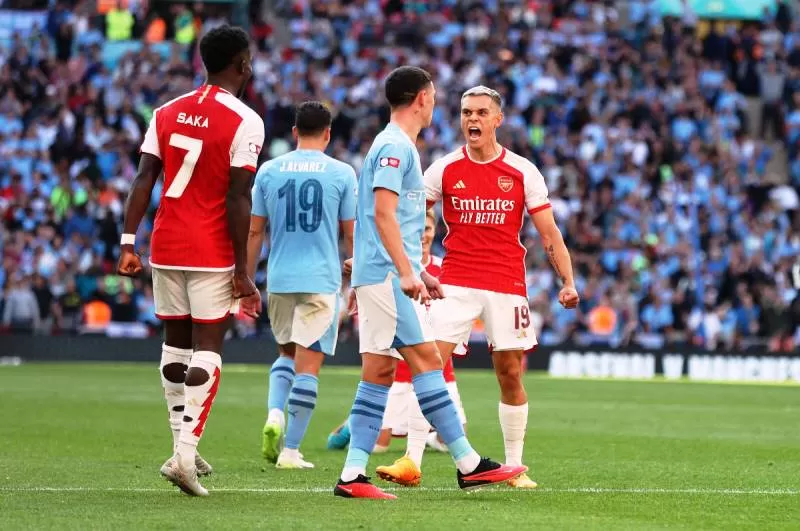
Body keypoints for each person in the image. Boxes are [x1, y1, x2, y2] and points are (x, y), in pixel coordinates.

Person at [333, 67, 526, 500]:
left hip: (380, 274)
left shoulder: (397, 145)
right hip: (385, 277)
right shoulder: (395, 147)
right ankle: (468, 463)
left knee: (379, 372)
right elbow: (382, 214)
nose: (437, 103)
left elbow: (385, 221)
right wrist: (404, 271)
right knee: (425, 360)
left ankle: (352, 475)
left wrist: (417, 271)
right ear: (421, 97)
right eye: (435, 95)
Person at [378, 85, 579, 490]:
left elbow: (549, 233)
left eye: (481, 113)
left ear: (497, 120)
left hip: (506, 283)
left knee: (509, 374)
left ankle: (515, 468)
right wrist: (415, 261)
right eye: (467, 112)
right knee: (429, 365)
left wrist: (568, 281)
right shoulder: (443, 168)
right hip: (455, 282)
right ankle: (411, 460)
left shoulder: (523, 170)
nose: (473, 119)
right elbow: (413, 212)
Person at [116, 25, 265, 497]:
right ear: (242, 64)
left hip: (165, 244)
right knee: (208, 348)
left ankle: (182, 444)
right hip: (211, 250)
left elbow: (144, 178)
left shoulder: (165, 111)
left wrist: (126, 242)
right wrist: (243, 271)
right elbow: (239, 197)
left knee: (174, 346)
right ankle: (184, 455)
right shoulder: (246, 120)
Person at [247, 101, 356, 469]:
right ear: (327, 133)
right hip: (321, 279)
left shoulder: (269, 170)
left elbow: (255, 230)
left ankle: (275, 412)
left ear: (294, 133)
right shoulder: (342, 173)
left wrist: (246, 280)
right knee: (309, 368)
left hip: (280, 278)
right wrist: (354, 279)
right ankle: (291, 451)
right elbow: (350, 233)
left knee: (286, 356)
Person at [327, 210, 468, 463]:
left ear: (434, 231)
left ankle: (427, 437)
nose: (423, 235)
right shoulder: (395, 271)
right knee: (379, 445)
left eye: (427, 229)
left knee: (453, 438)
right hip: (399, 374)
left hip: (438, 370)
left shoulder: (446, 270)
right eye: (419, 229)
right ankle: (350, 425)